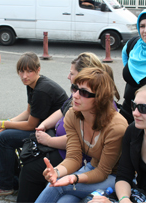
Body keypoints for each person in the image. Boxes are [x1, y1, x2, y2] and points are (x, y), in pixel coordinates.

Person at [17, 52, 105, 203]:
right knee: (30, 160)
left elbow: (81, 146)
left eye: (72, 73)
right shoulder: (77, 97)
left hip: (74, 157)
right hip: (65, 151)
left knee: (31, 170)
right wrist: (43, 125)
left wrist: (49, 141)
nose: (68, 77)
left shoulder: (95, 106)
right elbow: (62, 111)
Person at [0, 52, 68, 197]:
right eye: (21, 71)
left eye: (29, 71)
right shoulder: (32, 84)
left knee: (5, 138)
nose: (24, 76)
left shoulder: (41, 90)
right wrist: (8, 123)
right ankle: (3, 170)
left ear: (38, 70)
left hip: (51, 133)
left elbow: (29, 125)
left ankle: (4, 185)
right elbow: (28, 112)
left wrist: (5, 124)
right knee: (6, 135)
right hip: (43, 127)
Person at [35, 68, 128, 203]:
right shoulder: (73, 115)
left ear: (99, 98)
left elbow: (103, 172)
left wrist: (74, 178)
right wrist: (57, 171)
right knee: (65, 200)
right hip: (92, 167)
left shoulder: (116, 127)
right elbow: (74, 158)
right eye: (75, 88)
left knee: (56, 187)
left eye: (84, 92)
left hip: (117, 178)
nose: (75, 95)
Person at [87, 82, 146, 203]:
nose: (135, 113)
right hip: (138, 195)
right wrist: (124, 199)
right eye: (134, 105)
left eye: (144, 108)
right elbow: (124, 175)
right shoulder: (133, 131)